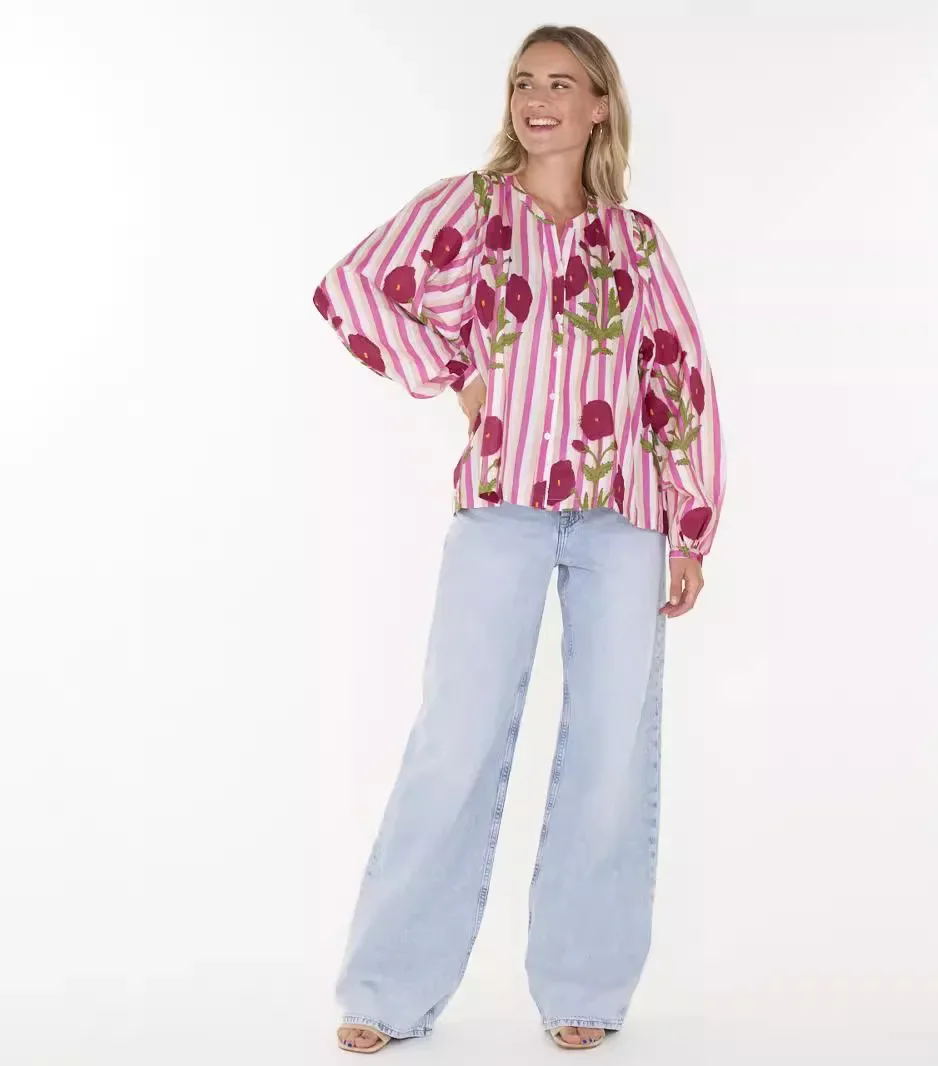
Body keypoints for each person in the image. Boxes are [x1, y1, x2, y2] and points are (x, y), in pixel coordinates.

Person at [313, 23, 725, 1054]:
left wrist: (690, 527)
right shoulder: (471, 209)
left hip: (624, 515)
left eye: (561, 83)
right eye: (523, 82)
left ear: (599, 106)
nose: (538, 99)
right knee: (455, 740)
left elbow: (678, 378)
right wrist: (455, 373)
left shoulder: (634, 241)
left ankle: (583, 985)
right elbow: (353, 286)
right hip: (501, 506)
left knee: (610, 752)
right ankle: (388, 990)